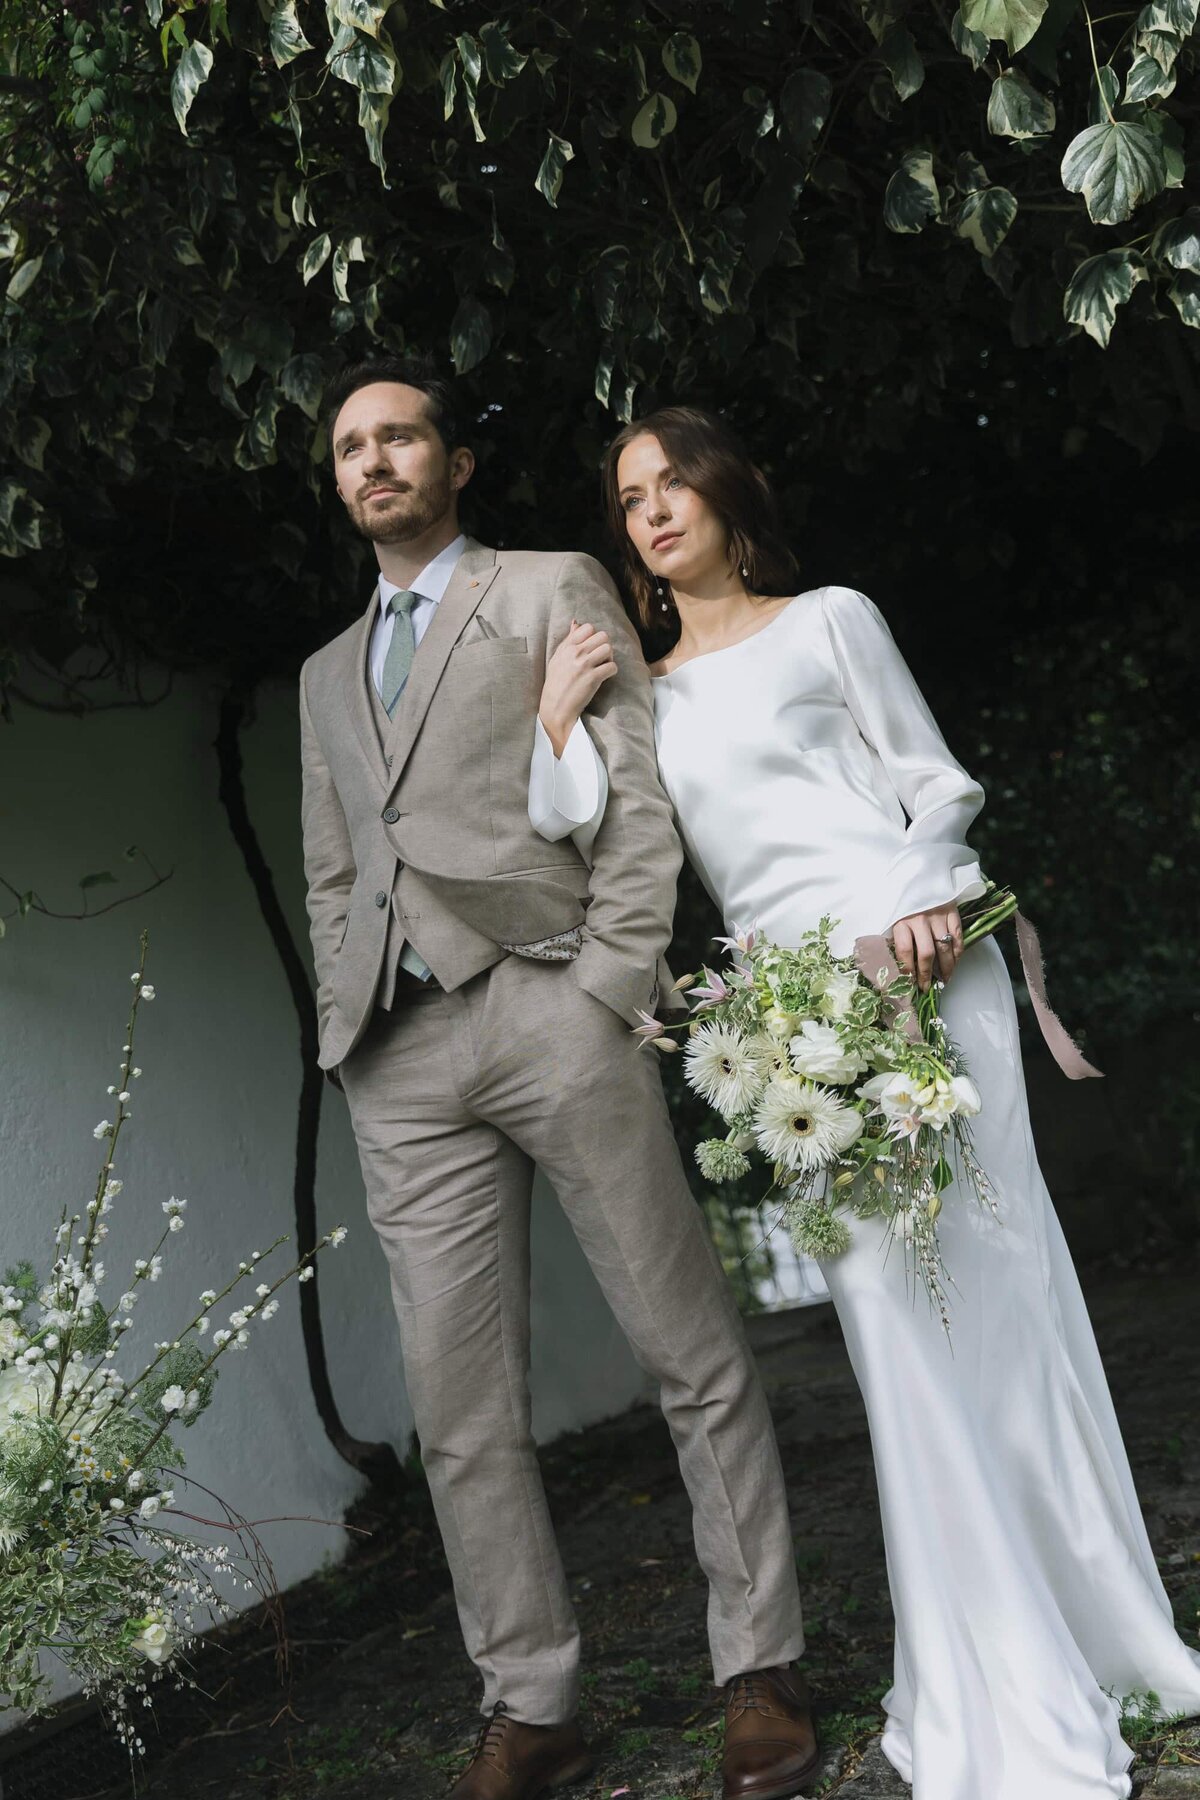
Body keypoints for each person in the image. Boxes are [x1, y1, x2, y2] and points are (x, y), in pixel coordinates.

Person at [532, 404, 1200, 1800]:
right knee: (893, 1333)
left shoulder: (832, 619)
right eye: (631, 498)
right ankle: (984, 1664)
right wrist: (555, 718)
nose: (653, 510)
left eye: (674, 482)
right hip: (789, 1032)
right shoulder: (642, 695)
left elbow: (935, 787)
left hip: (925, 969)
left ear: (726, 495)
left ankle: (1103, 1633)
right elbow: (572, 821)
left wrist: (918, 907)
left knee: (1004, 1297)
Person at [298, 359, 821, 1800]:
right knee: (460, 1410)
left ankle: (760, 1665)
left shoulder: (544, 588)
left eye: (400, 437)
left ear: (454, 463)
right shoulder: (322, 676)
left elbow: (633, 800)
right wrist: (349, 1027)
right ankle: (530, 1706)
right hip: (400, 1062)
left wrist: (605, 987)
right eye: (351, 447)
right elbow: (336, 869)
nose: (374, 461)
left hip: (551, 1010)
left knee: (686, 1348)